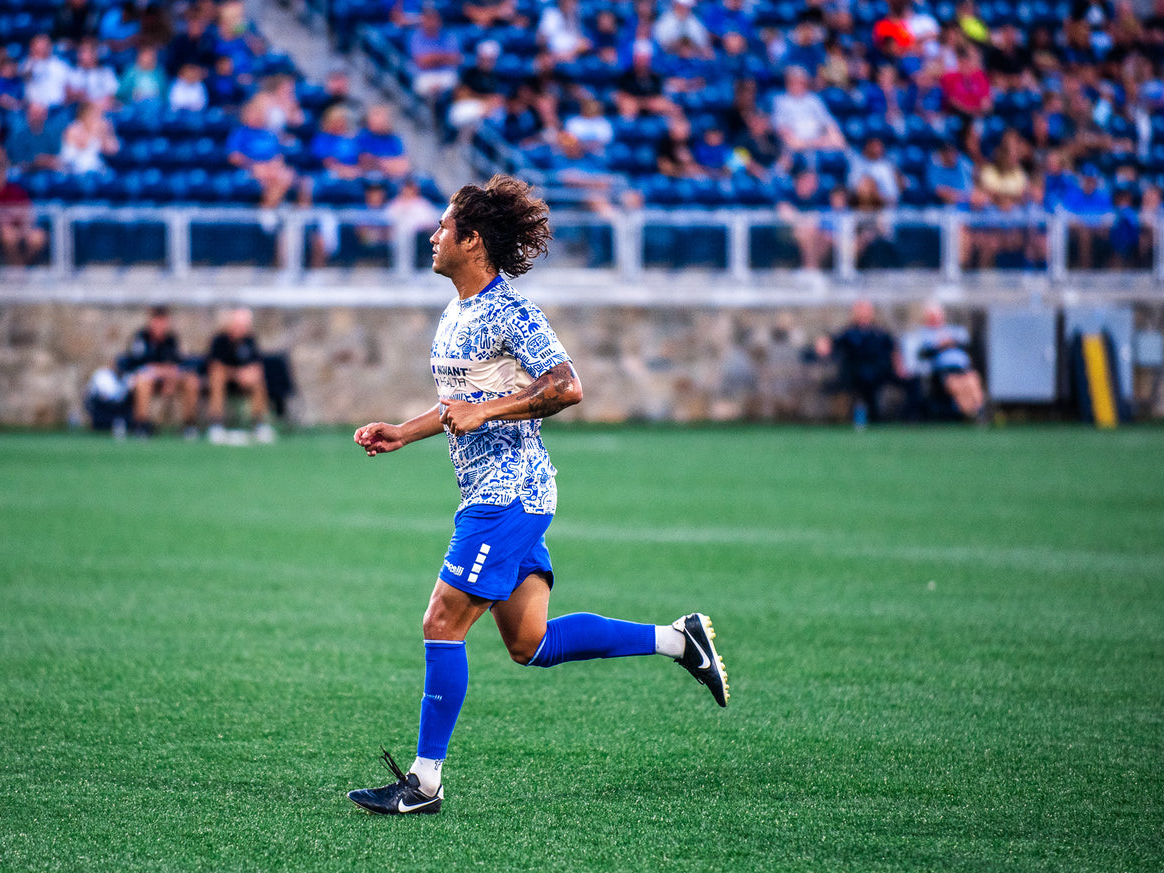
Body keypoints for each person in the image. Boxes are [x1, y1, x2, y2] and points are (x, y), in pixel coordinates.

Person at [346, 175, 728, 817]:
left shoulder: (510, 311)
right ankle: (680, 640)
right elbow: (458, 406)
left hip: (510, 495)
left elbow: (568, 385)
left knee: (441, 620)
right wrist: (404, 433)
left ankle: (424, 782)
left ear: (472, 241)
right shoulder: (457, 313)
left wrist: (492, 410)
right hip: (491, 494)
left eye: (443, 226)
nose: (433, 236)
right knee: (530, 643)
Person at [813, 300, 910, 425]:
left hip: (879, 373)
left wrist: (899, 367)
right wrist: (824, 344)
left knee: (912, 382)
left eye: (866, 310)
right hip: (855, 375)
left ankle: (910, 417)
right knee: (864, 381)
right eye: (861, 310)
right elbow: (833, 344)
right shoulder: (849, 332)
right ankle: (867, 417)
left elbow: (893, 350)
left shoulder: (880, 332)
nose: (863, 314)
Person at [118, 305, 201, 438]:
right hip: (144, 381)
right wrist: (161, 371)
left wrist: (169, 378)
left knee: (192, 381)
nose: (160, 325)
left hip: (167, 380)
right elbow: (140, 366)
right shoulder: (141, 338)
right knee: (143, 380)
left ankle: (189, 425)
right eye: (157, 321)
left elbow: (176, 365)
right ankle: (142, 425)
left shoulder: (171, 339)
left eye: (163, 322)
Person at [204, 306, 275, 445]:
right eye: (238, 325)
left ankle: (259, 424)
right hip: (225, 380)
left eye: (244, 326)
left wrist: (247, 374)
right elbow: (215, 366)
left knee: (257, 380)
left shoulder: (250, 340)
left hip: (244, 382)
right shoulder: (220, 340)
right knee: (217, 377)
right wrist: (237, 374)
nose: (241, 329)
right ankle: (216, 424)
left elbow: (257, 365)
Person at [908, 303, 985, 421]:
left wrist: (950, 343)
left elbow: (966, 345)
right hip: (945, 371)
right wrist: (941, 345)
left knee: (972, 382)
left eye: (937, 316)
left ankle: (978, 410)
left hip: (963, 368)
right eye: (931, 316)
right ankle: (969, 414)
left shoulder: (955, 330)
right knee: (957, 386)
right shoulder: (925, 334)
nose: (935, 319)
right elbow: (924, 353)